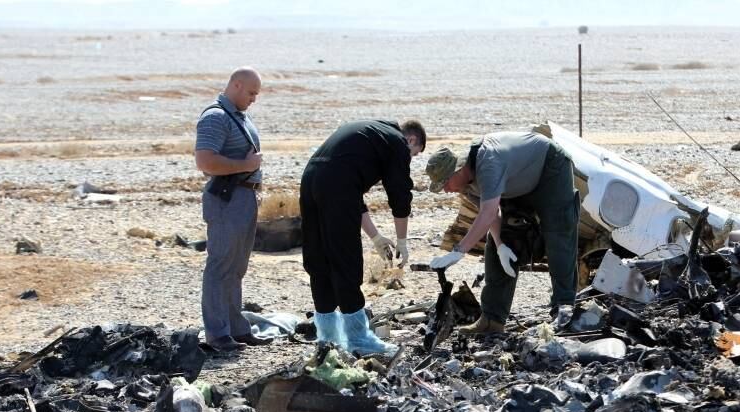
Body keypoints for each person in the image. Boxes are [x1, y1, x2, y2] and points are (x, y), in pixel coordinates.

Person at [426, 130, 580, 333]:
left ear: (458, 170)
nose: (445, 190)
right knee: (505, 239)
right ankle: (492, 320)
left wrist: (459, 251)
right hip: (517, 181)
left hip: (549, 167)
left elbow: (487, 213)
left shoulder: (487, 163)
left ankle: (564, 310)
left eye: (445, 183)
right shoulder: (465, 184)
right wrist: (501, 246)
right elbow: (493, 215)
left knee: (558, 235)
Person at [300, 119, 427, 356]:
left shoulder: (371, 133)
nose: (409, 158)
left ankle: (327, 337)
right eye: (414, 154)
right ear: (411, 140)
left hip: (310, 178)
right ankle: (358, 339)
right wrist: (402, 241)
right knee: (345, 259)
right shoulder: (397, 142)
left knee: (319, 257)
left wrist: (376, 237)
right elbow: (399, 195)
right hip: (337, 183)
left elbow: (352, 195)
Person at [195, 67, 272, 352]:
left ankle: (236, 329)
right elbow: (205, 161)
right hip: (227, 199)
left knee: (236, 267)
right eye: (251, 92)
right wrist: (246, 166)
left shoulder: (237, 116)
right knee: (220, 265)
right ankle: (218, 334)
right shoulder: (216, 117)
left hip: (244, 197)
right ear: (236, 85)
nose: (254, 99)